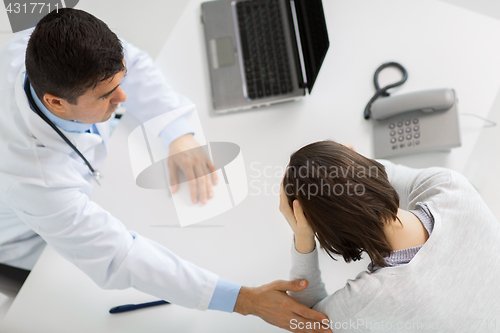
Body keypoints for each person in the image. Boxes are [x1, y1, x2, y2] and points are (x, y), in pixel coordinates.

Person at [0, 9, 331, 332]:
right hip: (25, 243)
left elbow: (137, 65)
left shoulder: (51, 43)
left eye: (120, 82)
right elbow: (120, 257)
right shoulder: (36, 178)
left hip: (84, 187)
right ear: (56, 102)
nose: (123, 97)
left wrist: (177, 132)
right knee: (47, 302)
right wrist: (245, 301)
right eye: (105, 96)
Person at [279, 140, 500, 332]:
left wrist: (303, 238)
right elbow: (392, 176)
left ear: (329, 233)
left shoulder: (368, 300)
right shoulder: (450, 186)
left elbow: (307, 320)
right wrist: (351, 166)